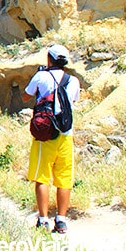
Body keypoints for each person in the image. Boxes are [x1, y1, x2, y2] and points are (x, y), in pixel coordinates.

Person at [21, 44, 81, 234]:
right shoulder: (74, 81)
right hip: (65, 135)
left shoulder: (41, 76)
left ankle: (43, 219)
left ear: (49, 59)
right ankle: (61, 220)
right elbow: (73, 101)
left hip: (45, 133)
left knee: (42, 177)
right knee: (64, 178)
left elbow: (24, 97)